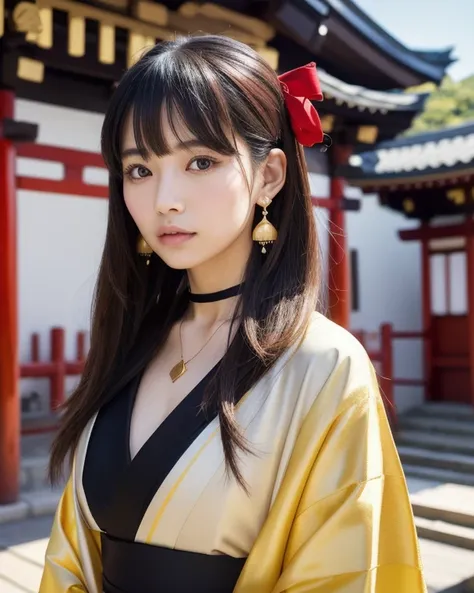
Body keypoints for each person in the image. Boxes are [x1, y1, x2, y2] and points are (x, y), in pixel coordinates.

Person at [40, 34, 426, 593]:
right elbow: (70, 561)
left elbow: (347, 575)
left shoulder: (325, 365)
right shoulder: (133, 344)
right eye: (139, 169)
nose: (164, 198)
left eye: (199, 161)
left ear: (269, 175)